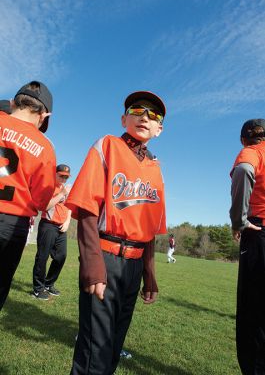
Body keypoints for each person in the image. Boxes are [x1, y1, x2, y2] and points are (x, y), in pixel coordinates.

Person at [66, 90, 167, 375]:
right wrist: (93, 264)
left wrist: (150, 276)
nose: (145, 116)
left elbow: (149, 229)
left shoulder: (155, 167)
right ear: (124, 119)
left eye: (154, 115)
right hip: (106, 258)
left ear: (159, 129)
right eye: (137, 110)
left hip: (134, 266)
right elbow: (87, 208)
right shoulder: (108, 145)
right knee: (94, 352)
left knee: (112, 348)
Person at [0, 80, 56, 310]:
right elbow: (41, 200)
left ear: (13, 102)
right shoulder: (44, 146)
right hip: (11, 225)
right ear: (44, 116)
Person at [230, 119, 265, 375]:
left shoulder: (251, 151)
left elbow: (243, 170)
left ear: (244, 139)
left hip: (259, 233)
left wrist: (238, 220)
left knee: (253, 314)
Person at [32, 164, 72, 300]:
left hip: (62, 227)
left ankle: (49, 284)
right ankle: (38, 288)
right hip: (48, 225)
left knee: (61, 256)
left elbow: (70, 207)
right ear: (55, 174)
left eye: (66, 177)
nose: (64, 179)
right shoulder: (49, 187)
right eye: (61, 176)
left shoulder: (67, 189)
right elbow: (45, 206)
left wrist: (67, 221)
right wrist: (61, 194)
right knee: (42, 257)